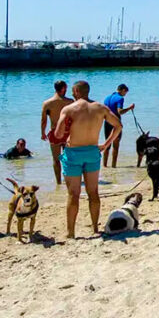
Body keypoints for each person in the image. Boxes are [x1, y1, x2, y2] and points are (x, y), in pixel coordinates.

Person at [53, 80, 121, 239]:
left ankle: (71, 232)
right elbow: (118, 126)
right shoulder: (100, 108)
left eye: (73, 91)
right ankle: (95, 229)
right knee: (93, 192)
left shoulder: (69, 109)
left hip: (73, 153)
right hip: (92, 152)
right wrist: (106, 144)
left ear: (77, 91)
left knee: (73, 194)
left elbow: (58, 134)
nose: (71, 93)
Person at [40, 80, 73, 185]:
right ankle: (69, 180)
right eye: (66, 88)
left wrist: (43, 133)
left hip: (55, 132)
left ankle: (58, 182)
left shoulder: (47, 103)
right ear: (63, 88)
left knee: (56, 159)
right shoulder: (70, 102)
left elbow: (44, 120)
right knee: (69, 159)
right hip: (67, 132)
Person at [101, 84, 135, 168]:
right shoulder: (120, 98)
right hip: (115, 124)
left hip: (107, 123)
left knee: (107, 145)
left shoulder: (107, 98)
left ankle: (105, 166)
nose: (125, 95)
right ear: (123, 90)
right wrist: (129, 108)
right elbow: (120, 111)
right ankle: (113, 166)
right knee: (115, 146)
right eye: (125, 93)